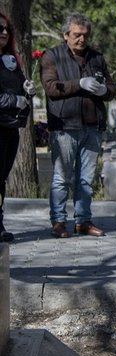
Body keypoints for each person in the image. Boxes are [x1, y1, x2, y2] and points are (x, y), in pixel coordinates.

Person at [40, 12, 116, 238]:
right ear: (66, 35)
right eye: (76, 35)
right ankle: (59, 221)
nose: (81, 39)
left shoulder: (96, 57)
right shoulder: (51, 56)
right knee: (62, 178)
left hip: (92, 127)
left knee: (86, 179)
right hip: (65, 126)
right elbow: (51, 88)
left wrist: (105, 91)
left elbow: (111, 87)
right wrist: (79, 84)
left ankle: (83, 221)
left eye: (85, 35)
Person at [0, 13, 36, 242]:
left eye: (6, 29)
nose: (4, 32)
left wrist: (27, 91)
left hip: (9, 128)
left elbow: (19, 92)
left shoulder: (9, 60)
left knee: (1, 178)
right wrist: (14, 101)